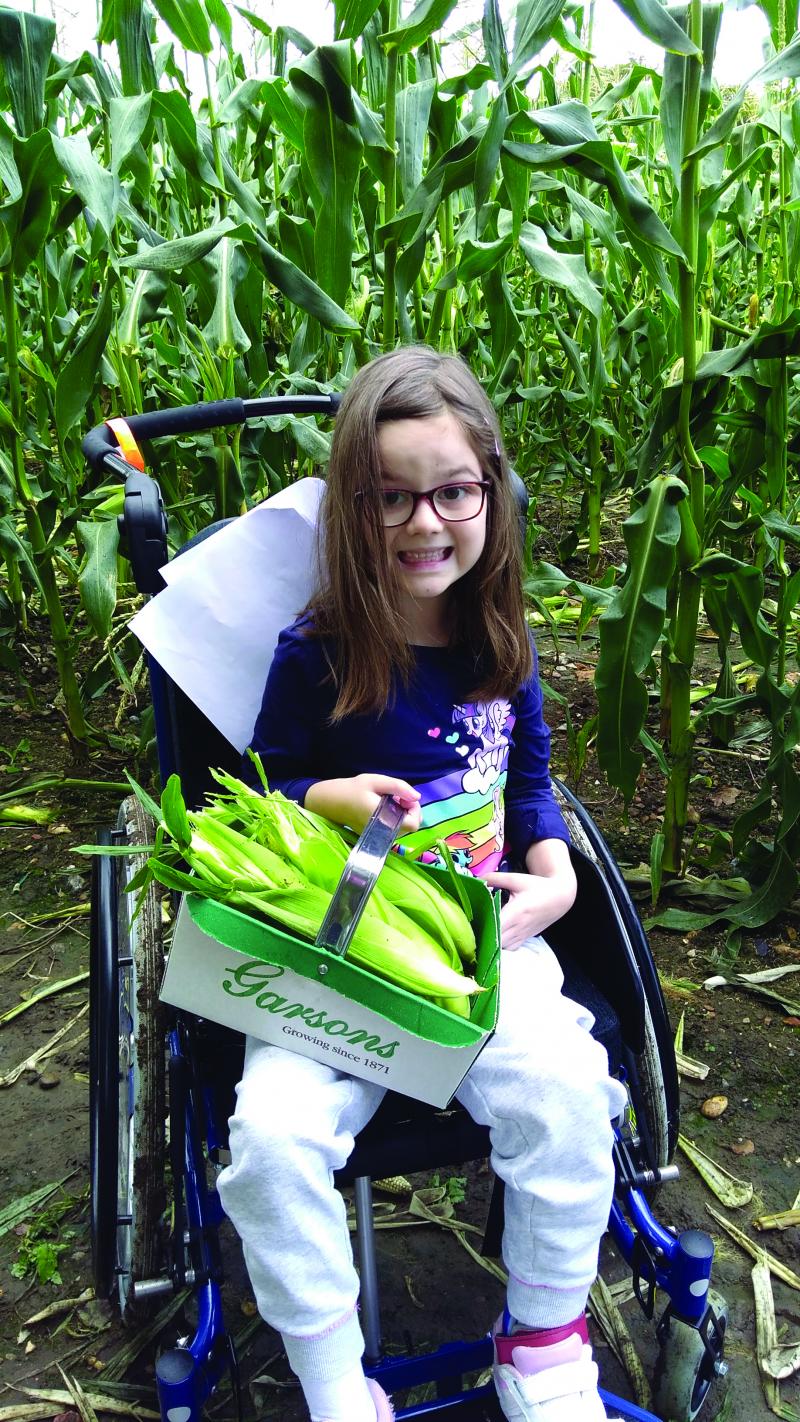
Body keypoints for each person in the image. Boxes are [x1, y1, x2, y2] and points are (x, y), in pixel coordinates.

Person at [217, 346, 628, 1422]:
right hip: (343, 948)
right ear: (352, 509)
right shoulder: (314, 652)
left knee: (570, 1093)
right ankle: (331, 1383)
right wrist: (330, 797)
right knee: (269, 1145)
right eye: (389, 498)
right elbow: (260, 786)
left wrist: (553, 881)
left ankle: (540, 1342)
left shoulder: (501, 643)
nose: (422, 523)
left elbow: (529, 786)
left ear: (489, 493)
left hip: (482, 946)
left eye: (451, 492)